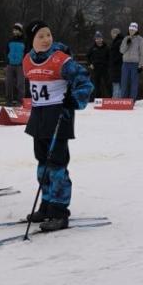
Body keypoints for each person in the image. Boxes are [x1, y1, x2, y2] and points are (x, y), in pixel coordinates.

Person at [22, 22, 93, 231]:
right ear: (32, 41)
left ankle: (60, 211)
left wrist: (74, 99)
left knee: (57, 165)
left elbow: (85, 81)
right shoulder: (27, 61)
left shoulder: (62, 60)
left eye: (49, 34)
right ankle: (47, 204)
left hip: (58, 117)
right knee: (42, 163)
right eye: (41, 36)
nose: (46, 39)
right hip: (39, 117)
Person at [119, 23, 143, 100]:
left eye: (133, 30)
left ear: (136, 30)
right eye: (130, 29)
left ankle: (132, 100)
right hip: (125, 63)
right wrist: (127, 44)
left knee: (134, 83)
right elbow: (121, 51)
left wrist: (141, 65)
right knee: (124, 82)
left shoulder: (140, 40)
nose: (131, 31)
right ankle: (123, 99)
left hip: (135, 64)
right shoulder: (125, 38)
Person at [4, 23, 26, 106]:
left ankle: (20, 102)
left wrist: (23, 62)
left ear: (20, 31)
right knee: (8, 83)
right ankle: (8, 101)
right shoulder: (10, 40)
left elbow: (27, 52)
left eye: (16, 29)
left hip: (20, 65)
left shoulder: (24, 41)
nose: (15, 31)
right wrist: (7, 60)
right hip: (10, 65)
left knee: (20, 84)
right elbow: (6, 51)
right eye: (14, 29)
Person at [85, 32, 111, 100]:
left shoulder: (107, 47)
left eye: (99, 38)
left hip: (105, 68)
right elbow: (87, 57)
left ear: (102, 39)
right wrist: (89, 64)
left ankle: (110, 99)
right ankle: (97, 100)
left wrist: (108, 65)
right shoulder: (92, 48)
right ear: (95, 39)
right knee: (96, 85)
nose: (98, 40)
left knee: (107, 84)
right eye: (97, 39)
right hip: (95, 69)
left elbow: (110, 57)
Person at [109, 28, 123, 98]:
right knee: (117, 83)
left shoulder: (119, 41)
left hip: (117, 66)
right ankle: (117, 98)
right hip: (116, 66)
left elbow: (120, 53)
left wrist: (114, 60)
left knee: (116, 83)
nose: (111, 35)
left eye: (112, 34)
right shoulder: (116, 41)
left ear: (116, 34)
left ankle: (116, 99)